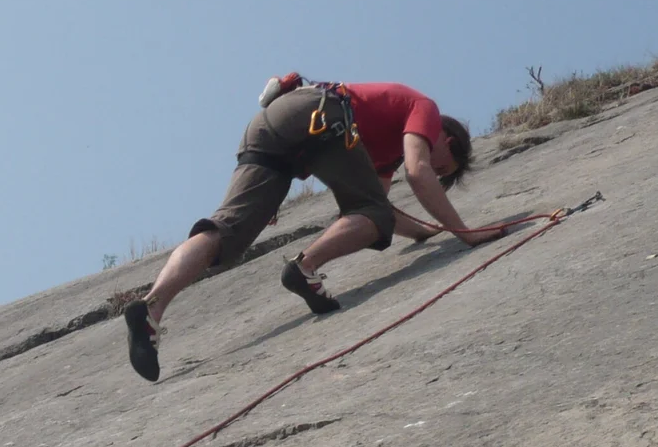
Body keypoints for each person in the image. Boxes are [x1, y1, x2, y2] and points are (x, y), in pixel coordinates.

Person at [123, 79, 504, 381]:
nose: (436, 174)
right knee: (369, 211)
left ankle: (151, 310)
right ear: (447, 141)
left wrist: (424, 232)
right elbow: (418, 172)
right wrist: (465, 234)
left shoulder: (381, 151)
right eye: (445, 169)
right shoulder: (426, 110)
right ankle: (304, 269)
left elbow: (379, 209)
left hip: (273, 124)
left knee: (226, 233)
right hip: (322, 116)